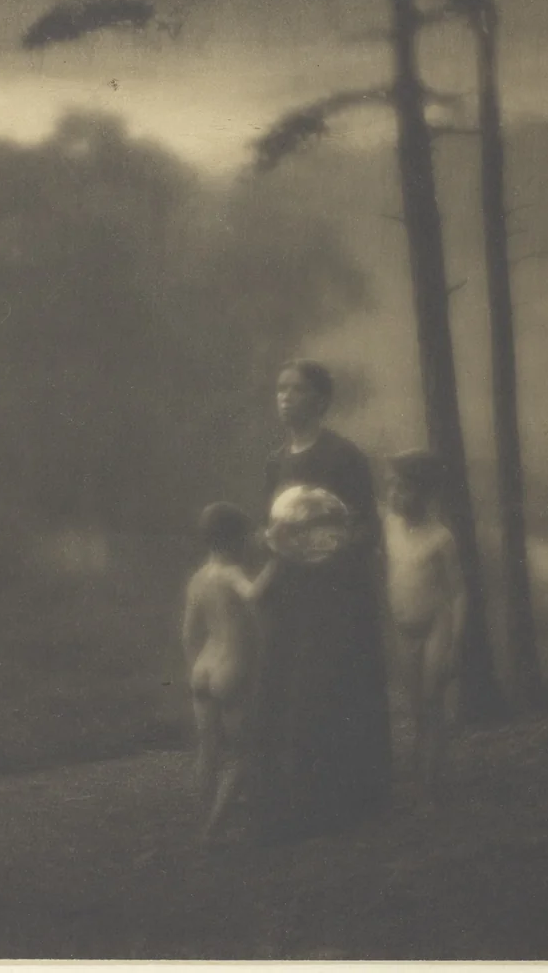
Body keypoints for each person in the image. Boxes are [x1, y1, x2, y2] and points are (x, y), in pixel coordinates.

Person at [249, 359, 393, 843]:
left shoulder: (343, 456)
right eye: (280, 388)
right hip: (289, 595)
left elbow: (369, 527)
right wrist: (272, 542)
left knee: (327, 691)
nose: (285, 397)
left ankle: (339, 803)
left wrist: (332, 547)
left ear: (322, 400)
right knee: (282, 690)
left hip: (335, 594)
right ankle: (285, 804)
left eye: (297, 389)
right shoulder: (275, 462)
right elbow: (273, 527)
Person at [384, 450, 467, 803]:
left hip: (436, 626)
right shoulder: (388, 524)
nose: (395, 495)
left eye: (404, 489)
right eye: (392, 487)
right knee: (415, 705)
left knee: (432, 702)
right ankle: (423, 771)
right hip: (405, 628)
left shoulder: (440, 537)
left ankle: (431, 784)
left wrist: (455, 642)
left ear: (425, 493)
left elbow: (459, 592)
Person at [182, 502, 262, 841]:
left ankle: (201, 818)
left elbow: (188, 632)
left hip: (203, 667)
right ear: (233, 541)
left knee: (208, 750)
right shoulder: (232, 573)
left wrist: (192, 667)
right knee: (243, 753)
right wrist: (279, 566)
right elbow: (254, 593)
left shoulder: (198, 578)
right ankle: (214, 828)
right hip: (232, 667)